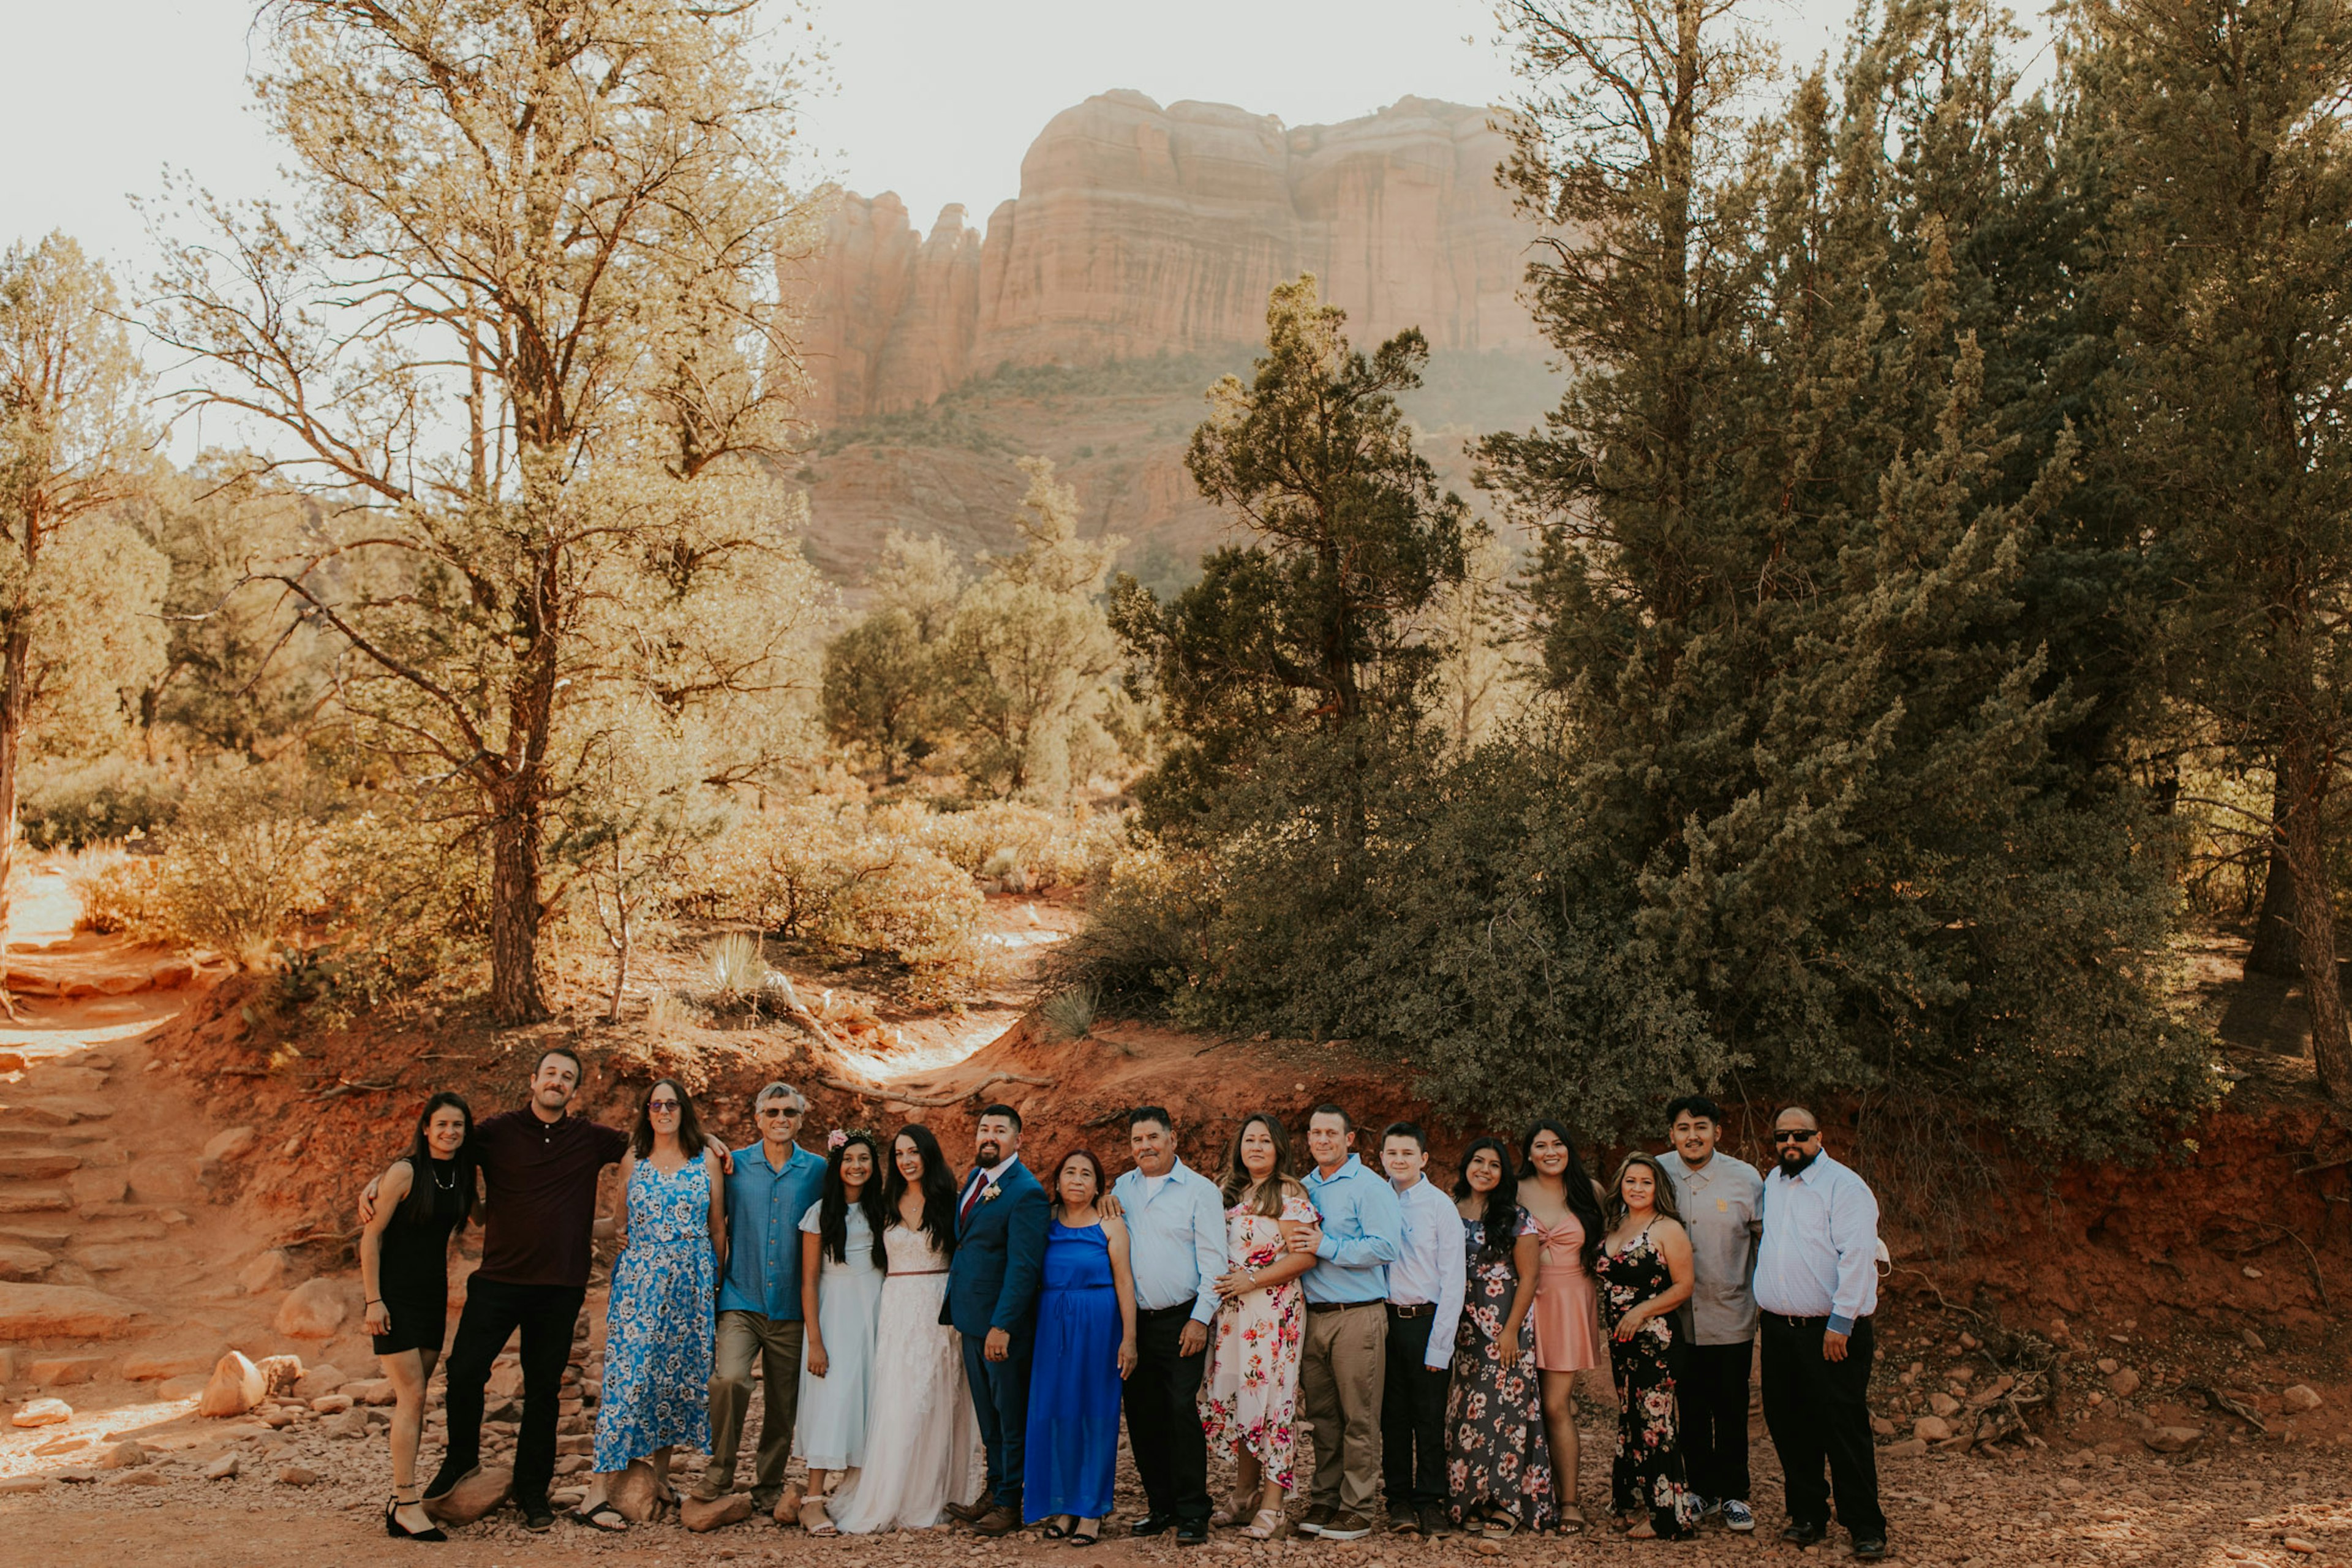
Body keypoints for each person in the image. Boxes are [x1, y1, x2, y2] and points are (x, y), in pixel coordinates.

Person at [364, 1047, 631, 1534]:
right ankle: (461, 1461)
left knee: (544, 1391)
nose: (557, 1081)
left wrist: (708, 1142)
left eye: (567, 1077)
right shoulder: (496, 1132)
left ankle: (533, 1493)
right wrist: (380, 1181)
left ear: (575, 1089)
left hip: (560, 1285)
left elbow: (646, 1146)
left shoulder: (590, 1138)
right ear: (533, 1080)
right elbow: (438, 1149)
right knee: (464, 1371)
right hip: (498, 1280)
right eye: (550, 1073)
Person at [571, 1080, 726, 1532]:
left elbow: (718, 1228)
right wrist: (566, 1222)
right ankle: (596, 1494)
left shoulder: (706, 1160)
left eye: (671, 1103)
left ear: (684, 1110)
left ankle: (659, 1479)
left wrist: (715, 1285)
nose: (664, 1110)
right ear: (647, 1111)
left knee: (674, 1380)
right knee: (628, 1381)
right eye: (656, 1104)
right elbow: (618, 1225)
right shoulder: (633, 1160)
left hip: (692, 1285)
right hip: (639, 1286)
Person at [829, 1124, 981, 1534]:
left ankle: (932, 1495)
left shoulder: (950, 1202)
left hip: (939, 1307)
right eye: (899, 1154)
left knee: (938, 1399)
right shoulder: (884, 1203)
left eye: (913, 1152)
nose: (906, 1160)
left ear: (928, 1154)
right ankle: (890, 1493)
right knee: (898, 1401)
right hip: (896, 1307)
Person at [1754, 1107, 1887, 1561]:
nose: (1790, 1143)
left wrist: (1841, 1322)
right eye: (1782, 1137)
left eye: (1800, 1135)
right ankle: (1807, 1514)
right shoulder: (1773, 1183)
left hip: (1831, 1331)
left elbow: (1858, 1255)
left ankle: (1865, 1524)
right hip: (1779, 1329)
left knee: (1843, 1427)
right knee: (1790, 1425)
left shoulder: (1845, 1187)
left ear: (1820, 1136)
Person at [699, 1082, 827, 1520]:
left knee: (783, 1403)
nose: (780, 1119)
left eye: (789, 1112)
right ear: (758, 1119)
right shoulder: (733, 1165)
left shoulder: (818, 1170)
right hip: (741, 1297)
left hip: (793, 1306)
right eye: (772, 1112)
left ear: (801, 1119)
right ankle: (720, 1472)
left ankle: (768, 1484)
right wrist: (707, 1138)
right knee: (730, 1380)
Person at [359, 1091, 478, 1542]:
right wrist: (373, 1300)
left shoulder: (463, 1175)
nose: (450, 1132)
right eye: (441, 1124)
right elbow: (371, 1238)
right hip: (394, 1297)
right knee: (412, 1395)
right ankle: (408, 1504)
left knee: (417, 1396)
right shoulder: (406, 1172)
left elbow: (483, 1218)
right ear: (426, 1128)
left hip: (432, 1297)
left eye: (458, 1125)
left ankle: (399, 1502)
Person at [1199, 1112, 1322, 1542]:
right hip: (1232, 1317)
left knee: (1272, 1404)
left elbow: (1304, 1257)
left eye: (1265, 1141)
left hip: (1273, 1314)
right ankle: (1244, 1494)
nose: (1256, 1147)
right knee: (1240, 1400)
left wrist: (1251, 1280)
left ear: (1279, 1148)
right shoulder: (1226, 1191)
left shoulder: (1288, 1193)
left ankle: (1273, 1505)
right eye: (1250, 1140)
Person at [1107, 1106, 1227, 1545]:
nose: (1146, 1147)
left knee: (1181, 1413)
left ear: (1172, 1139)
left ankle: (1193, 1511)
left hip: (1182, 1319)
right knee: (1143, 1415)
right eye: (1137, 1140)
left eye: (1153, 1137)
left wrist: (1199, 1320)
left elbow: (1215, 1262)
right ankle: (1161, 1506)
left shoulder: (1201, 1191)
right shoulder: (1122, 1188)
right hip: (1135, 1322)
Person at [1288, 1104, 1405, 1543]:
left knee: (1359, 1417)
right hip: (1313, 1317)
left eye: (1331, 1133)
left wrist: (1328, 1246)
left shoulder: (1369, 1186)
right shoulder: (1301, 1188)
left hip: (1357, 1315)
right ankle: (1325, 1498)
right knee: (1323, 1417)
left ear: (1349, 1139)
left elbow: (1386, 1246)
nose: (1322, 1140)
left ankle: (1357, 1508)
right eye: (1315, 1133)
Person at [941, 1104, 1050, 1537]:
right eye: (984, 1129)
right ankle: (995, 1488)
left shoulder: (1026, 1192)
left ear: (1017, 1140)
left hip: (1000, 1328)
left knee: (1009, 1415)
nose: (989, 1136)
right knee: (988, 1416)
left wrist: (1002, 1326)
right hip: (971, 1320)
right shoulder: (976, 1178)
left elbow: (1024, 1267)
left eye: (1000, 1130)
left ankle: (1010, 1503)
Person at [1023, 1148, 1139, 1543]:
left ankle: (1092, 1509)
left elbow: (1125, 1281)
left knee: (1095, 1414)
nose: (1077, 1179)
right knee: (1056, 1413)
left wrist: (1129, 1338)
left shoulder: (1110, 1224)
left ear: (1097, 1186)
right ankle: (1063, 1503)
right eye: (1069, 1172)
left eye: (1086, 1174)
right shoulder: (1045, 1221)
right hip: (1051, 1327)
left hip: (1099, 1325)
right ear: (1057, 1182)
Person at [1660, 1094, 1763, 1532]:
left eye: (1701, 1127)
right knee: (1690, 1407)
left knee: (1731, 1407)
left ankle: (1735, 1493)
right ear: (1672, 1134)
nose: (1693, 1136)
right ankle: (1701, 1489)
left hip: (1730, 1312)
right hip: (1676, 1318)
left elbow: (1765, 1242)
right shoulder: (1657, 1173)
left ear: (1717, 1132)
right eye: (1683, 1128)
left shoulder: (1746, 1179)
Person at [1446, 1136, 1553, 1538]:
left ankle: (1509, 1502)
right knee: (1467, 1410)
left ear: (1503, 1174)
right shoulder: (1449, 1209)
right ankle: (1472, 1497)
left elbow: (1530, 1277)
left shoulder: (1516, 1217)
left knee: (1507, 1408)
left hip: (1505, 1321)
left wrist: (1510, 1331)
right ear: (1466, 1166)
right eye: (1478, 1161)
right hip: (1462, 1322)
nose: (1485, 1170)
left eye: (1494, 1165)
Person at [1595, 1153, 1699, 1540]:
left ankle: (1667, 1517)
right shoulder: (1617, 1224)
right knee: (1630, 1420)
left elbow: (1685, 1286)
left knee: (1655, 1422)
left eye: (1646, 1182)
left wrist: (1641, 1312)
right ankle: (1635, 1503)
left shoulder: (1667, 1228)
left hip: (1656, 1339)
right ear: (1620, 1185)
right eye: (1631, 1181)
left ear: (1659, 1189)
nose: (1637, 1188)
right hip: (1621, 1341)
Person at [794, 1129, 887, 1534]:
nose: (856, 1166)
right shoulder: (820, 1214)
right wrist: (815, 1341)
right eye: (848, 1159)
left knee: (868, 1399)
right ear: (836, 1165)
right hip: (835, 1315)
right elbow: (808, 1281)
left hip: (877, 1311)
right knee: (831, 1398)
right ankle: (812, 1499)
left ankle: (856, 1492)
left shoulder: (883, 1210)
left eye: (864, 1159)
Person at [1518, 1118, 1607, 1535]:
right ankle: (1524, 1495)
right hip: (1522, 1301)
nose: (1550, 1152)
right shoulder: (1514, 1191)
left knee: (1556, 1405)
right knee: (1520, 1404)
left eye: (1558, 1144)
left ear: (1569, 1148)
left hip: (1570, 1303)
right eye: (1541, 1145)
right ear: (1529, 1153)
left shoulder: (1591, 1191)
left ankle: (1569, 1500)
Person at [1378, 1121, 1464, 1539]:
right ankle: (1398, 1500)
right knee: (1391, 1417)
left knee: (1429, 1417)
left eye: (1408, 1153)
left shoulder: (1439, 1206)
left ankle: (1430, 1501)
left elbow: (1454, 1279)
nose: (1400, 1160)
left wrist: (1440, 1346)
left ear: (1424, 1158)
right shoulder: (1375, 1199)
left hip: (1426, 1322)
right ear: (1381, 1158)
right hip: (1383, 1321)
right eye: (1392, 1153)